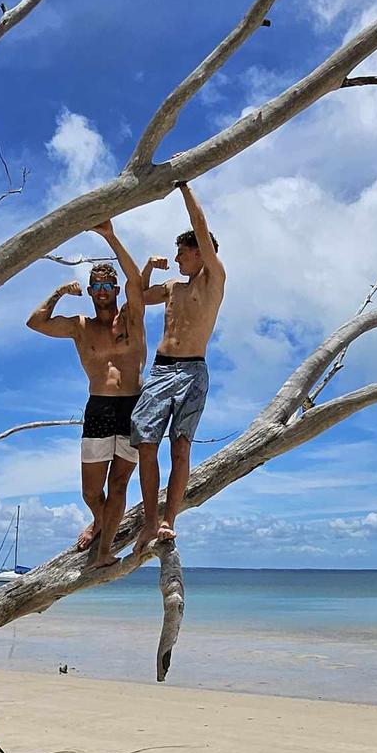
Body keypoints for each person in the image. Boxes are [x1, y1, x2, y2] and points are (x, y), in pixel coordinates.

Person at [27, 220, 145, 567]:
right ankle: (98, 518)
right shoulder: (80, 326)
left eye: (109, 283)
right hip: (98, 408)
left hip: (133, 406)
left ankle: (105, 549)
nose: (103, 288)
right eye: (97, 285)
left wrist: (110, 236)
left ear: (116, 289)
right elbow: (35, 322)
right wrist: (60, 292)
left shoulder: (132, 318)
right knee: (91, 492)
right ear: (91, 291)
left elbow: (136, 280)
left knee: (120, 484)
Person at [131, 181, 226, 551]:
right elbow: (137, 296)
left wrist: (185, 187)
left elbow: (201, 229)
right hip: (161, 370)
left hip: (193, 371)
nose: (178, 259)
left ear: (201, 253)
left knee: (181, 447)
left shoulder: (214, 279)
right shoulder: (172, 287)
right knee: (146, 445)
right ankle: (150, 522)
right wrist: (146, 269)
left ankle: (169, 519)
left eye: (183, 253)